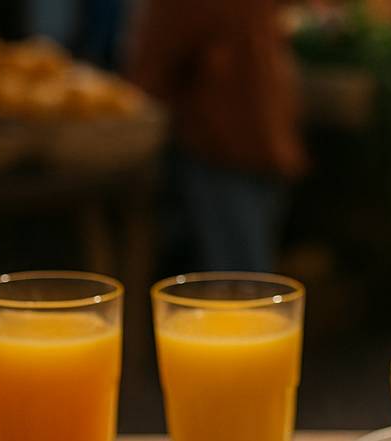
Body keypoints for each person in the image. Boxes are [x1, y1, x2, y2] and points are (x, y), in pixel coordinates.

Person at [127, 1, 306, 272]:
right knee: (243, 266)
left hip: (225, 143)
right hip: (262, 134)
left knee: (237, 276)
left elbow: (155, 60)